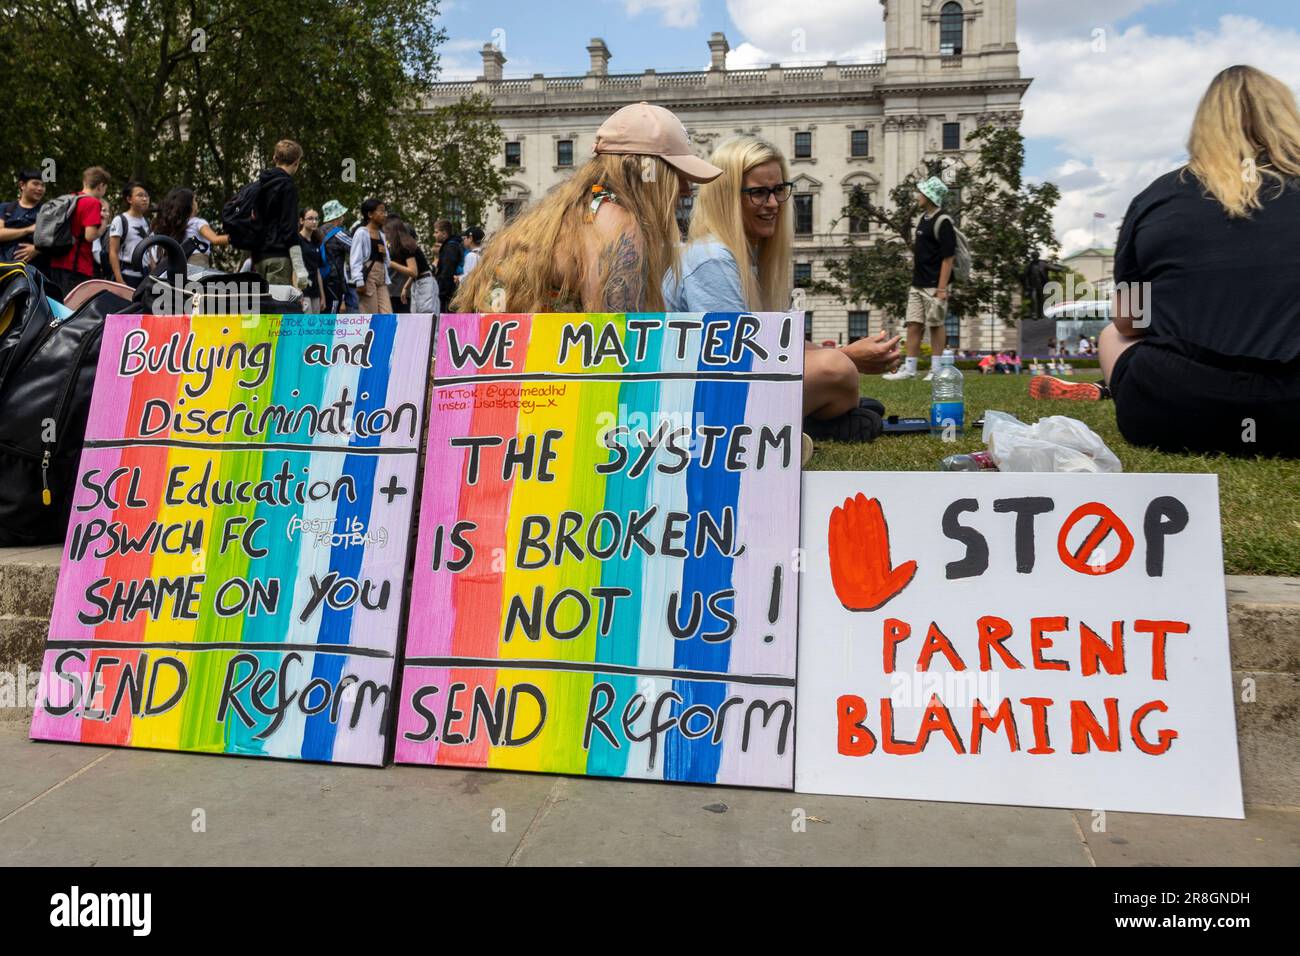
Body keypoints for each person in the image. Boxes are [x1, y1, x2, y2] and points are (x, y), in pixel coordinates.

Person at [1031, 65, 1300, 458]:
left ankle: (1126, 396)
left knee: (1111, 334)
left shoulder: (1157, 198)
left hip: (1178, 407)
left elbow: (1129, 323)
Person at [661, 135, 899, 442]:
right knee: (836, 370)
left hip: (719, 394)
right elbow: (736, 364)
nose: (773, 204)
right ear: (725, 196)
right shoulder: (712, 260)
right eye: (758, 193)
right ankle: (811, 422)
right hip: (697, 406)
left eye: (778, 190)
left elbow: (777, 340)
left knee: (835, 370)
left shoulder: (746, 256)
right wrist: (849, 357)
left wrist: (844, 355)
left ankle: (808, 421)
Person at [454, 101, 722, 314]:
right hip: (554, 379)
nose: (686, 189)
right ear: (644, 169)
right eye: (676, 174)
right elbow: (617, 343)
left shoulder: (568, 213)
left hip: (507, 376)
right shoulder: (618, 224)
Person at [882, 176, 956, 381]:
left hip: (935, 285)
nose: (918, 196)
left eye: (921, 193)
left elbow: (948, 258)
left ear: (930, 196)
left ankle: (937, 369)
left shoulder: (943, 222)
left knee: (935, 324)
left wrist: (942, 289)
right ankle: (910, 368)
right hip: (918, 283)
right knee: (913, 324)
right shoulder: (923, 219)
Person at [250, 139, 308, 291]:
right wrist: (299, 267)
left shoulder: (260, 184)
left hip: (259, 256)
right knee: (277, 307)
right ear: (296, 162)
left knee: (262, 306)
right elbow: (288, 228)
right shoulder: (287, 186)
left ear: (275, 159)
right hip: (279, 255)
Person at [48, 166, 111, 297]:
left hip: (56, 262)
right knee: (72, 310)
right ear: (100, 186)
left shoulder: (69, 198)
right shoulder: (92, 203)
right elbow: (90, 236)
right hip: (77, 266)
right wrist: (104, 222)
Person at [152, 187, 228, 269]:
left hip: (178, 267)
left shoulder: (175, 226)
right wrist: (237, 238)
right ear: (190, 205)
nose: (196, 203)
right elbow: (215, 239)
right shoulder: (198, 223)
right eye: (194, 200)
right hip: (197, 264)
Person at [106, 181, 154, 288]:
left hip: (145, 276)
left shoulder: (147, 222)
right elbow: (113, 252)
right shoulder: (120, 220)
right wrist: (119, 280)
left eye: (146, 196)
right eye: (140, 195)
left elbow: (149, 252)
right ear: (129, 199)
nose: (145, 199)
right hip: (127, 275)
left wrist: (154, 273)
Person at [349, 198, 392, 313]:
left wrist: (384, 254)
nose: (384, 215)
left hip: (381, 277)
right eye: (381, 211)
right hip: (368, 278)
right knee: (370, 315)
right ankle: (369, 332)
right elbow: (355, 259)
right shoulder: (361, 233)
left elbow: (387, 263)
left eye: (385, 211)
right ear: (370, 214)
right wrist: (359, 281)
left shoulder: (382, 235)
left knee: (387, 314)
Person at [387, 218, 437, 315]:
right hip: (417, 281)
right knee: (415, 314)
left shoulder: (408, 247)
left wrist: (390, 263)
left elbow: (413, 271)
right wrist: (405, 287)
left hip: (424, 281)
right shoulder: (408, 248)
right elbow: (415, 272)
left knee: (425, 314)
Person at [0, 168, 47, 269]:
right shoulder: (6, 208)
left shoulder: (48, 211)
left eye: (43, 185)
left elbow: (55, 238)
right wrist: (28, 229)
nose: (40, 188)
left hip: (36, 271)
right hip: (4, 268)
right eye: (35, 184)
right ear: (22, 185)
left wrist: (37, 249)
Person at [319, 199, 355, 312]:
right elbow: (356, 249)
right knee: (332, 316)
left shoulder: (317, 231)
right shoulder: (339, 233)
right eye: (342, 215)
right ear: (337, 216)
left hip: (318, 280)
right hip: (333, 281)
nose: (343, 218)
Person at [297, 207, 325, 311]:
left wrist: (323, 296)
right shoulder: (297, 240)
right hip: (303, 291)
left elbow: (317, 271)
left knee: (316, 326)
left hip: (315, 292)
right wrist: (297, 293)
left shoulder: (316, 242)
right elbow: (295, 269)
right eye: (310, 218)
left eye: (317, 219)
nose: (314, 222)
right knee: (306, 326)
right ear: (301, 221)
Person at [433, 219, 463, 313]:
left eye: (436, 232)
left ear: (444, 233)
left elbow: (447, 271)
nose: (434, 235)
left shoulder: (450, 247)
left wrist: (441, 291)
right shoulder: (453, 245)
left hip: (449, 293)